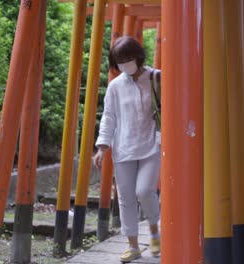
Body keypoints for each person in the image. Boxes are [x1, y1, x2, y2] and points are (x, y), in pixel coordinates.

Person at [92, 36, 161, 263]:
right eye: (119, 61)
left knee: (144, 191)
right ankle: (132, 245)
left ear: (138, 56)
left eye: (127, 59)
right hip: (123, 148)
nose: (123, 65)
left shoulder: (156, 78)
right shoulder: (115, 86)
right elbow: (109, 117)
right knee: (125, 198)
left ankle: (153, 230)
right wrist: (102, 147)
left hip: (151, 146)